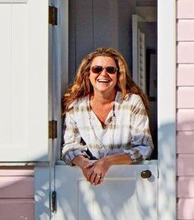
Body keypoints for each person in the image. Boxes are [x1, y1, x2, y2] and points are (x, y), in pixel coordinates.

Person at [61, 47, 153, 185]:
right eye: (97, 69)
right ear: (88, 74)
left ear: (118, 75)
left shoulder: (132, 102)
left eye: (110, 70)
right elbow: (70, 146)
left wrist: (107, 162)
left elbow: (145, 147)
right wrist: (84, 163)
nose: (103, 74)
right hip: (88, 182)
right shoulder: (75, 106)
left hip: (128, 180)